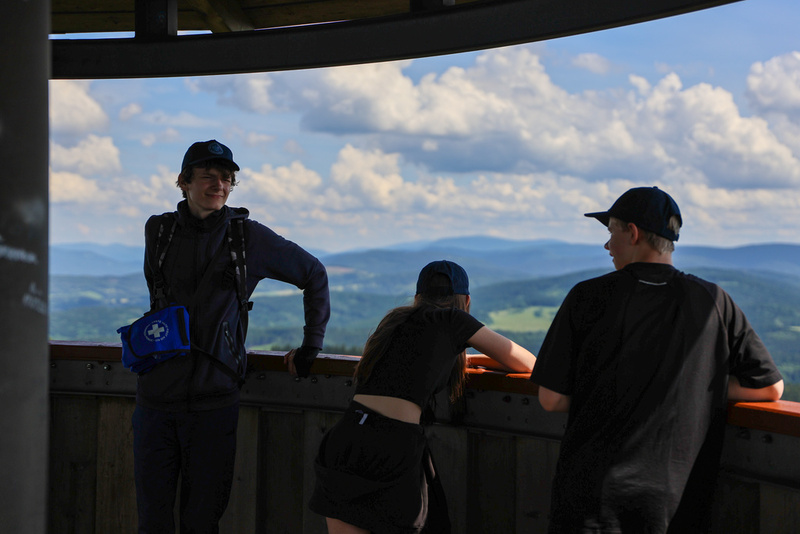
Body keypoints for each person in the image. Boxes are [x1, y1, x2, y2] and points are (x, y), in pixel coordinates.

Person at [530, 186, 784, 533]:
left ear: (632, 233)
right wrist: (697, 388)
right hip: (677, 505)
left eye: (611, 233)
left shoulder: (587, 297)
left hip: (594, 504)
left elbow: (552, 398)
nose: (607, 246)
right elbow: (770, 387)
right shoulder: (714, 301)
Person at [132, 139, 330, 533]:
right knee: (152, 521)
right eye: (208, 176)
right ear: (183, 182)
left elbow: (314, 274)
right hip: (155, 400)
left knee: (202, 521)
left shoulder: (248, 238)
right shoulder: (159, 231)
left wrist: (312, 345)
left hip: (213, 403)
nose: (219, 185)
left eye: (227, 178)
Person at [309, 260, 537, 534]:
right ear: (465, 301)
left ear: (418, 297)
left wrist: (460, 360)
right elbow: (528, 363)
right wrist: (471, 359)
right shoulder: (454, 320)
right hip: (392, 444)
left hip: (347, 436)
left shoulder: (394, 320)